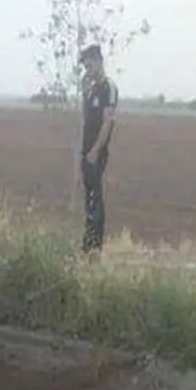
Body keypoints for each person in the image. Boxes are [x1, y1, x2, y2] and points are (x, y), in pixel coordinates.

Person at [79, 44, 118, 255]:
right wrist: (85, 91)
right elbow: (87, 118)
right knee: (89, 199)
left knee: (95, 200)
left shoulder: (108, 88)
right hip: (86, 151)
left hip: (97, 152)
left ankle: (95, 248)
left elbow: (107, 122)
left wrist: (95, 150)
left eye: (89, 64)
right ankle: (87, 244)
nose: (87, 69)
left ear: (98, 61)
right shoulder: (92, 89)